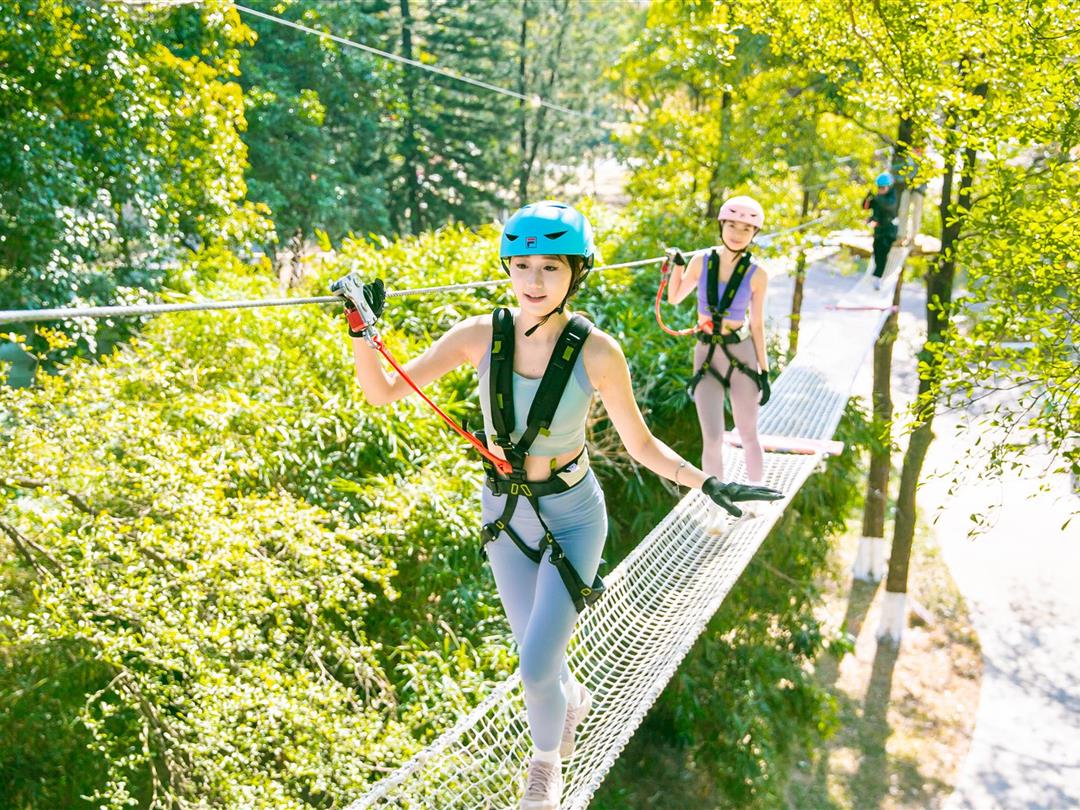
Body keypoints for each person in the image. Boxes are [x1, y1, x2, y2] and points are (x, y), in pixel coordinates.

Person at [333, 201, 782, 810]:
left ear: (577, 272)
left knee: (535, 666)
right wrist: (362, 332)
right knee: (535, 655)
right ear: (508, 268)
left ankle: (544, 769)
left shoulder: (598, 352)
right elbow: (382, 391)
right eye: (522, 266)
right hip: (504, 516)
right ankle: (571, 702)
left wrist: (707, 483)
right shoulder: (477, 336)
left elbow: (640, 443)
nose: (534, 281)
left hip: (573, 517)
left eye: (550, 267)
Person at [662, 196, 772, 502]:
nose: (737, 233)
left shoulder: (758, 274)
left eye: (746, 229)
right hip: (706, 355)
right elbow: (674, 297)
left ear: (754, 234)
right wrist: (677, 267)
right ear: (721, 226)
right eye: (732, 225)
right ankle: (717, 504)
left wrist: (764, 371)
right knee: (712, 438)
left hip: (741, 355)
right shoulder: (701, 261)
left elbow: (758, 325)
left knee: (748, 433)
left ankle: (758, 496)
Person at [862, 172, 899, 289]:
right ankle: (878, 275)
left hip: (889, 232)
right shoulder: (878, 198)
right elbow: (866, 206)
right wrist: (868, 197)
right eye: (879, 188)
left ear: (889, 187)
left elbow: (888, 205)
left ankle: (878, 277)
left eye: (883, 188)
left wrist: (876, 197)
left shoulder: (892, 197)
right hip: (878, 232)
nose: (880, 190)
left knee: (883, 254)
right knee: (877, 253)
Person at [895, 147, 927, 246]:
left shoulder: (924, 162)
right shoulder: (907, 160)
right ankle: (901, 236)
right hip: (906, 188)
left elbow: (925, 177)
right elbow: (900, 174)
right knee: (903, 211)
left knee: (916, 213)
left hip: (918, 190)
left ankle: (913, 237)